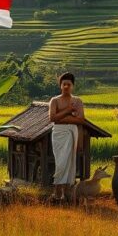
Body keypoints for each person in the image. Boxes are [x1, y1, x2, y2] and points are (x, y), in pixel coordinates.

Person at [49, 72, 85, 201]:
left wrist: (63, 117)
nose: (66, 87)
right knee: (60, 162)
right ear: (60, 86)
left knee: (70, 163)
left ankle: (67, 194)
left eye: (68, 84)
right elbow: (52, 118)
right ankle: (57, 192)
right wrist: (69, 111)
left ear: (73, 86)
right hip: (58, 133)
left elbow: (81, 120)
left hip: (72, 133)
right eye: (64, 84)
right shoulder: (55, 100)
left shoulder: (78, 101)